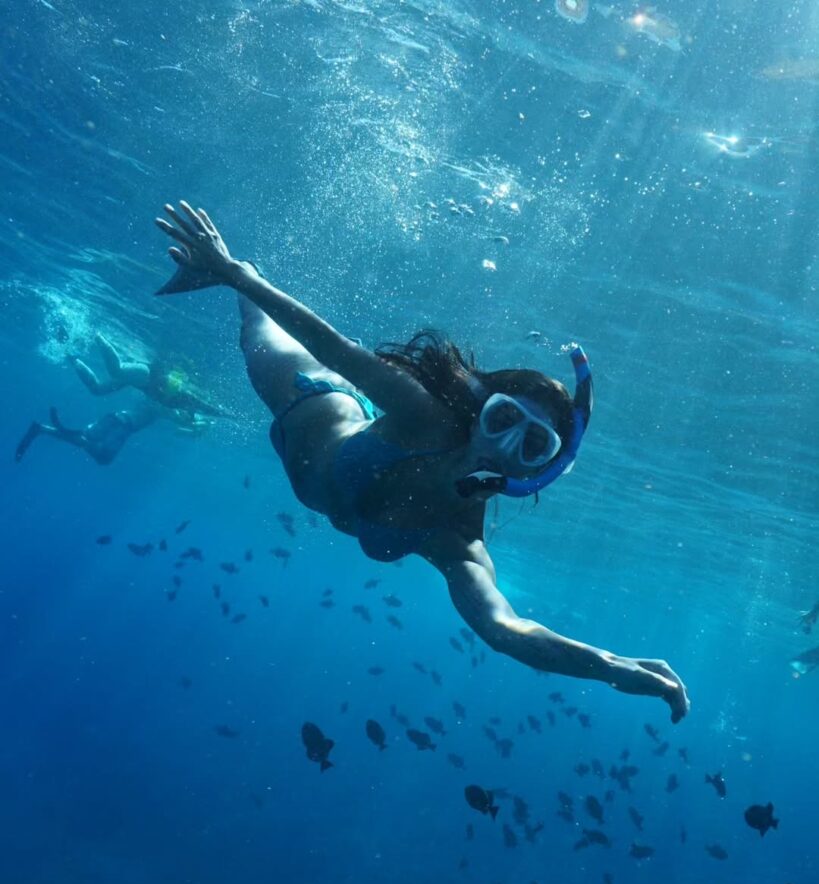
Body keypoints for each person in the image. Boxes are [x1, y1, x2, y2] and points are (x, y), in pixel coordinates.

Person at [153, 200, 690, 722]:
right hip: (311, 401)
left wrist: (607, 666)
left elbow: (504, 629)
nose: (505, 447)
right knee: (257, 329)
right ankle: (242, 271)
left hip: (323, 449)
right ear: (481, 412)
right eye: (504, 420)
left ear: (539, 470)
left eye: (532, 445)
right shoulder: (422, 415)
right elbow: (332, 345)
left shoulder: (458, 537)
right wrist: (233, 274)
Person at [71, 332, 230, 420]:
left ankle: (73, 360)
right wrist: (227, 415)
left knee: (98, 390)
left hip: (138, 382)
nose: (188, 413)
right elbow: (206, 407)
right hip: (145, 375)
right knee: (116, 371)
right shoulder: (187, 398)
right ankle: (98, 337)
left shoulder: (178, 406)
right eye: (190, 412)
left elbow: (201, 409)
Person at [15, 403, 159, 465]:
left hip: (118, 420)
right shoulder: (160, 406)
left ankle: (42, 429)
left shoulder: (153, 399)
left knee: (94, 447)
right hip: (122, 425)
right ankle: (42, 429)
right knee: (103, 457)